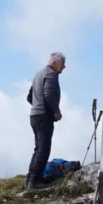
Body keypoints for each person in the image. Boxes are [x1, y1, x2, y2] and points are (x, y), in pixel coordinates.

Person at [27, 53, 66, 189]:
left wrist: (37, 105)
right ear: (55, 63)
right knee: (43, 149)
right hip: (44, 117)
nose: (64, 67)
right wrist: (55, 111)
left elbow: (29, 97)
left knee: (38, 148)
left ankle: (30, 179)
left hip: (35, 116)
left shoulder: (39, 74)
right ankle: (35, 182)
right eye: (63, 63)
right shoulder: (51, 74)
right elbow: (48, 94)